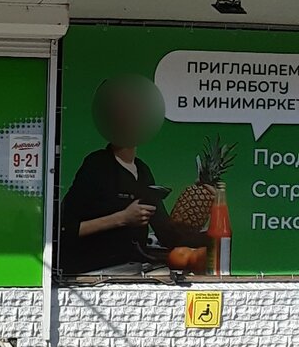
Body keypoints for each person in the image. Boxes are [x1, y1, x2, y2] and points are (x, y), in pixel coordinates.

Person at [60, 74, 207, 275]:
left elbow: (167, 234)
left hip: (131, 272)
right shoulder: (96, 164)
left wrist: (209, 234)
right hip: (93, 273)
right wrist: (122, 218)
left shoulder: (143, 170)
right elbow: (65, 229)